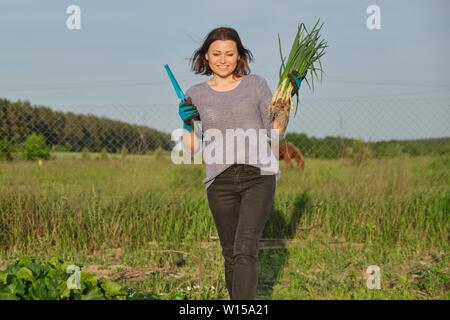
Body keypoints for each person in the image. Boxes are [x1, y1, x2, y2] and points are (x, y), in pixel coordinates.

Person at [177, 27, 293, 300]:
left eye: (230, 54)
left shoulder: (256, 85)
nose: (223, 59)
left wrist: (286, 102)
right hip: (220, 181)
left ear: (239, 56)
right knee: (230, 253)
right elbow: (192, 148)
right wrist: (185, 123)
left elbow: (276, 132)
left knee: (244, 248)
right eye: (216, 53)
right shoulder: (195, 93)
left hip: (258, 176)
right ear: (206, 56)